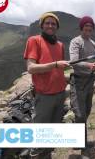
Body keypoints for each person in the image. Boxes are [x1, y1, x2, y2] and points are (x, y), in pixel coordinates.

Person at [23, 12, 69, 158]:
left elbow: (59, 69)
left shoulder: (60, 45)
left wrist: (65, 75)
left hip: (60, 93)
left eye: (53, 24)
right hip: (44, 96)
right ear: (42, 25)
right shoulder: (34, 40)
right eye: (47, 23)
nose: (50, 25)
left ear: (57, 27)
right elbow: (31, 68)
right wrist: (55, 64)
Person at [69, 16, 95, 151]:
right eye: (86, 26)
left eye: (90, 27)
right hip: (78, 82)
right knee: (80, 113)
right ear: (81, 27)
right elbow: (74, 61)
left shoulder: (93, 44)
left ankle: (80, 138)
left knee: (86, 111)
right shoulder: (76, 42)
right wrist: (89, 65)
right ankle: (80, 142)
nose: (88, 28)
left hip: (89, 82)